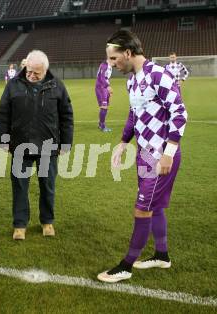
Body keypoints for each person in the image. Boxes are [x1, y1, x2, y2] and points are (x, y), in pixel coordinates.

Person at [97, 30, 187, 283]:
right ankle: (161, 255)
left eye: (114, 59)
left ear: (128, 52)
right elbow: (134, 115)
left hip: (159, 157)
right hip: (144, 155)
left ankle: (126, 266)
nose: (112, 65)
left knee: (142, 208)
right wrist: (123, 142)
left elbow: (180, 113)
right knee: (154, 206)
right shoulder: (132, 81)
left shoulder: (158, 74)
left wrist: (168, 154)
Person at [0, 50, 74, 240]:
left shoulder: (57, 86)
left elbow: (66, 115)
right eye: (29, 71)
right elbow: (4, 114)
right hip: (20, 145)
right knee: (20, 186)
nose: (31, 75)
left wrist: (66, 142)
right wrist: (4, 140)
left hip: (48, 146)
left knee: (47, 186)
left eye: (36, 73)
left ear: (45, 70)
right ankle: (20, 225)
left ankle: (47, 222)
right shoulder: (13, 85)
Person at [95, 60, 113, 132]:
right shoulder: (104, 65)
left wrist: (108, 88)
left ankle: (100, 124)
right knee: (104, 106)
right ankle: (102, 126)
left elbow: (106, 78)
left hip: (104, 88)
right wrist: (108, 86)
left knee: (105, 106)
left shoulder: (109, 66)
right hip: (101, 87)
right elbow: (101, 77)